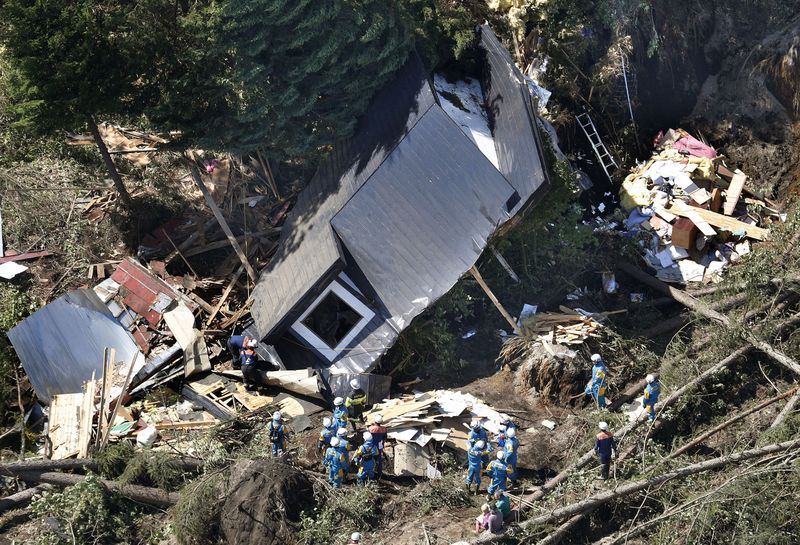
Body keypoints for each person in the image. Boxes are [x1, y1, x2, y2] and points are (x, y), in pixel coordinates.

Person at [368, 414, 388, 479]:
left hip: (372, 446)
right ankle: (379, 474)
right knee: (379, 460)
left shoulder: (371, 429)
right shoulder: (384, 429)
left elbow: (368, 437)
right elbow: (385, 438)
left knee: (371, 459)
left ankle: (371, 474)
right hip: (380, 446)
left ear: (375, 421)